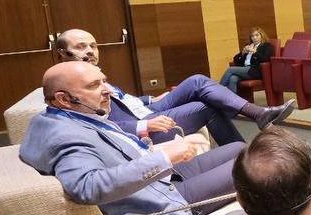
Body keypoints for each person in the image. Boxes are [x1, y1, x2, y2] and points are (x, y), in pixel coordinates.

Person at [20, 62, 242, 215]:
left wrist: (152, 150)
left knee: (240, 148)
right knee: (256, 166)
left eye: (104, 82)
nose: (107, 90)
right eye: (93, 85)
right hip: (159, 203)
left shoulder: (62, 117)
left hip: (159, 181)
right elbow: (88, 187)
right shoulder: (63, 134)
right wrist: (164, 157)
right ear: (63, 99)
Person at [56, 29, 293, 146]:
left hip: (145, 107)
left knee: (197, 80)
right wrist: (144, 125)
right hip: (144, 121)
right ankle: (247, 143)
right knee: (206, 105)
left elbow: (120, 99)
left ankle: (258, 114)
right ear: (63, 54)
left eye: (93, 46)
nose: (89, 51)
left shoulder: (93, 75)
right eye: (80, 47)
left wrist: (149, 99)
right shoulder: (68, 89)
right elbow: (95, 125)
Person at [220, 27, 274, 94]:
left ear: (262, 36)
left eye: (257, 35)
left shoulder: (267, 46)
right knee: (233, 78)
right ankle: (233, 101)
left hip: (255, 70)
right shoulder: (249, 46)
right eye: (252, 36)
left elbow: (265, 59)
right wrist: (242, 53)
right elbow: (235, 60)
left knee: (230, 69)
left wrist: (255, 52)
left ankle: (217, 91)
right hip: (244, 69)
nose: (254, 38)